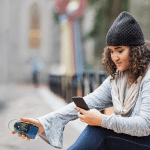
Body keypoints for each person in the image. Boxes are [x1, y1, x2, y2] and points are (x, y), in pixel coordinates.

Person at [12, 11, 150, 149]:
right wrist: (43, 122)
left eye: (120, 51)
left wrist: (102, 120)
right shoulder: (116, 80)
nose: (115, 57)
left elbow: (145, 125)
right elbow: (87, 102)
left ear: (135, 50)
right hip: (133, 138)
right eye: (112, 51)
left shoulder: (148, 77)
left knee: (100, 129)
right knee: (97, 130)